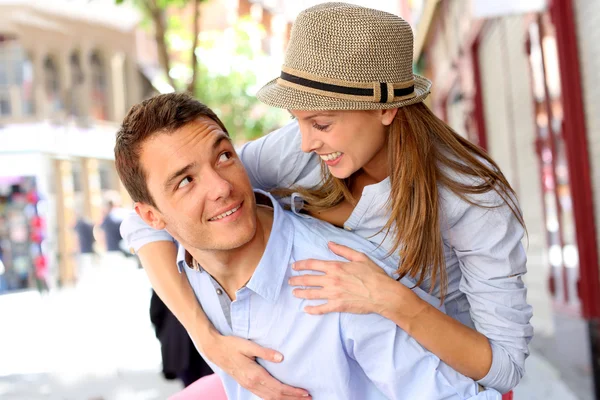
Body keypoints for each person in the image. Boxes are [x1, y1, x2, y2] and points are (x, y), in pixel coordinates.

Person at [120, 3, 533, 398]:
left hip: (442, 380)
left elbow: (505, 365)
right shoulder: (302, 151)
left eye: (321, 123)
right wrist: (209, 341)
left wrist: (391, 300)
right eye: (297, 120)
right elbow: (156, 214)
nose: (305, 141)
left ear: (385, 109)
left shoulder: (473, 201)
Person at [149, 290, 213, 387]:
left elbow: (156, 314)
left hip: (179, 346)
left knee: (193, 390)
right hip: (205, 341)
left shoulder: (164, 278)